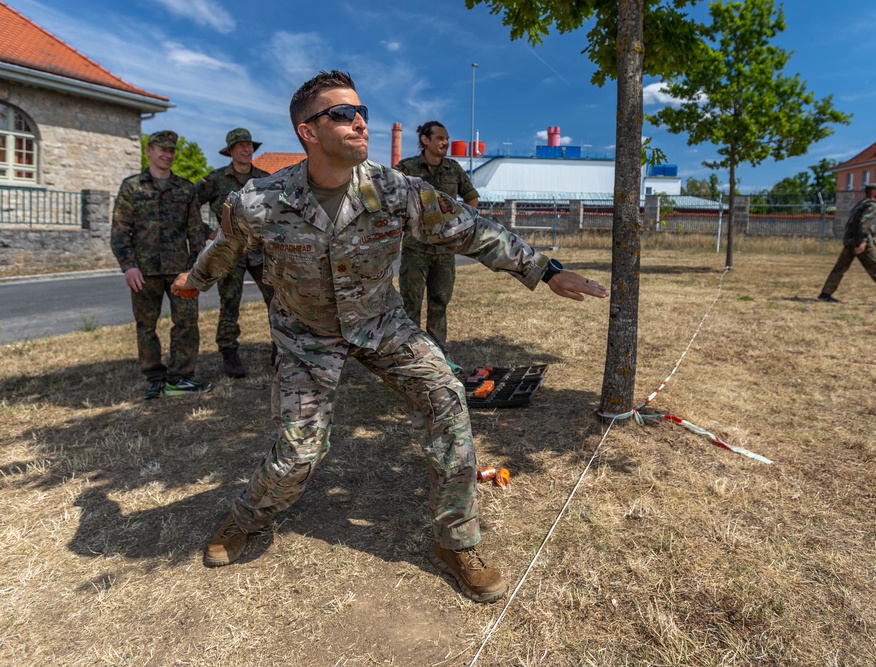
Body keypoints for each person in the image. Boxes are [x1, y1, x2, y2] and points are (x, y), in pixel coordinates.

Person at [170, 70, 608, 603]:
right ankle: (246, 516)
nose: (360, 122)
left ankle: (455, 541)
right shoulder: (258, 200)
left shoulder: (394, 189)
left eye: (362, 113)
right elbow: (224, 246)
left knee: (447, 398)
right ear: (308, 132)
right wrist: (193, 281)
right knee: (299, 455)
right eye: (342, 114)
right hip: (306, 337)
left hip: (382, 324)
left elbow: (471, 228)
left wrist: (543, 268)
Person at [111, 130, 213, 400]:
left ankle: (180, 378)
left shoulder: (185, 188)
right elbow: (120, 230)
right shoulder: (132, 187)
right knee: (146, 326)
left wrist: (195, 270)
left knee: (187, 323)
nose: (168, 155)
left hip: (181, 270)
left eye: (171, 150)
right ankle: (155, 378)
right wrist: (128, 265)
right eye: (162, 149)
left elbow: (195, 232)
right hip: (143, 272)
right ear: (150, 151)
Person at [395, 121, 479, 374]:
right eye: (440, 138)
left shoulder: (453, 169)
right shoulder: (407, 168)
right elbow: (389, 195)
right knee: (411, 304)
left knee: (439, 302)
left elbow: (472, 197)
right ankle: (409, 357)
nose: (446, 142)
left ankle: (439, 355)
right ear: (425, 140)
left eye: (447, 138)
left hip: (445, 251)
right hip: (415, 248)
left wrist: (463, 221)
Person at [196, 128, 274, 378]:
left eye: (249, 145)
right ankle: (229, 354)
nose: (246, 149)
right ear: (230, 151)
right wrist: (207, 232)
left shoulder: (264, 179)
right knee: (229, 303)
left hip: (261, 252)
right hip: (230, 252)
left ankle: (281, 350)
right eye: (240, 146)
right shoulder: (215, 180)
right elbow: (188, 206)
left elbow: (279, 211)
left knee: (278, 302)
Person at [818, 182, 876, 306]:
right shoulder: (871, 205)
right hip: (860, 242)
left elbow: (856, 224)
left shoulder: (861, 204)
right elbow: (864, 224)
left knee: (839, 268)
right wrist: (864, 242)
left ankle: (826, 293)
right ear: (873, 192)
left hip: (851, 241)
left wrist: (873, 240)